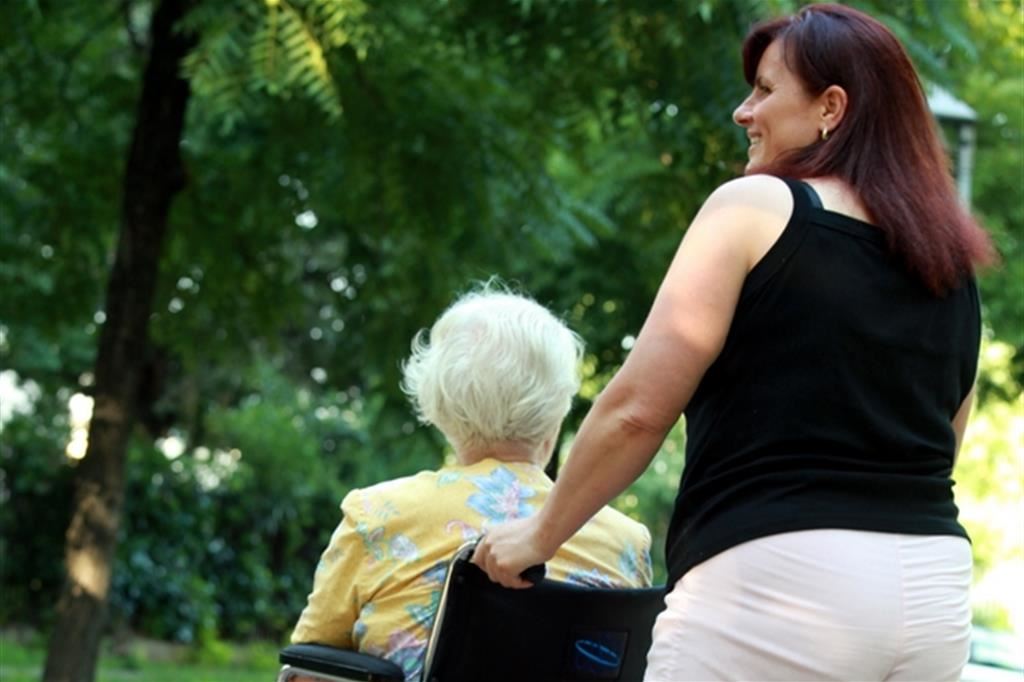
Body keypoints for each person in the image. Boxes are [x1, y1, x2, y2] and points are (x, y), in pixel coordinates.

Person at [472, 4, 994, 681]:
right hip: (933, 593)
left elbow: (637, 409)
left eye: (766, 90)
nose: (743, 112)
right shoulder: (948, 261)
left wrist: (539, 536)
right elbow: (945, 439)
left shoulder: (754, 208)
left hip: (779, 588)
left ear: (832, 107)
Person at [289, 283, 653, 682]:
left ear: (438, 403)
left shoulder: (376, 516)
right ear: (558, 408)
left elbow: (309, 668)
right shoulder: (626, 543)